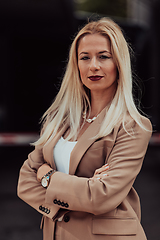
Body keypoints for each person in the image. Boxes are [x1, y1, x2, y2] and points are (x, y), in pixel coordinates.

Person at [17, 17, 152, 240]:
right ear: (76, 64)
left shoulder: (132, 126)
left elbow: (102, 196)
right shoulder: (58, 119)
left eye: (103, 57)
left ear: (118, 63)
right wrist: (84, 189)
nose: (93, 66)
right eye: (85, 57)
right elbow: (24, 182)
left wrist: (48, 177)